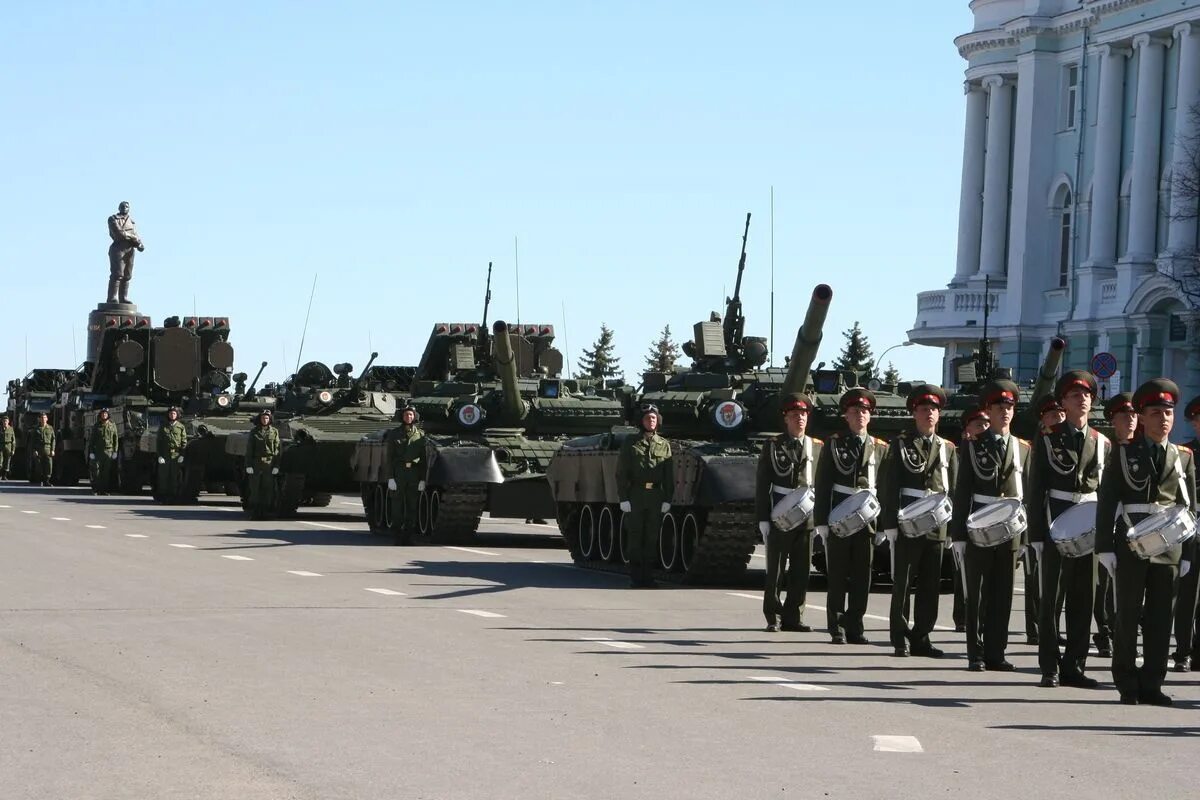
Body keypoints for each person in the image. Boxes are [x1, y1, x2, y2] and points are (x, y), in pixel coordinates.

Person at [1096, 379, 1197, 706]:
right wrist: (1104, 547)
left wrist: (1189, 553)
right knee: (1126, 615)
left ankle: (1152, 682)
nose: (1164, 419)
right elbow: (1108, 501)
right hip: (1132, 543)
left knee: (1159, 619)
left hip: (1169, 547)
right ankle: (1127, 682)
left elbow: (1190, 508)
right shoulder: (1125, 453)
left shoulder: (1183, 457)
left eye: (1168, 412)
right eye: (1155, 413)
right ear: (1142, 416)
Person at [1027, 371, 1109, 689]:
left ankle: (1075, 665)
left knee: (1083, 600)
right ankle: (1050, 666)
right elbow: (1036, 490)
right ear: (1063, 401)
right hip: (1056, 523)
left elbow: (1106, 492)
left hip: (1088, 525)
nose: (1082, 399)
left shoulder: (1102, 443)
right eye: (1075, 395)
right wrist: (1036, 536)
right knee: (1052, 600)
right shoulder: (1048, 437)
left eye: (1086, 394)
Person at [951, 379, 1031, 672]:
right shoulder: (973, 445)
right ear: (988, 410)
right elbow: (962, 492)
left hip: (1010, 530)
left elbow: (1029, 495)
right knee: (977, 593)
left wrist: (1026, 537)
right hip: (980, 526)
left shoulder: (1022, 447)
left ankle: (997, 651)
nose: (1005, 412)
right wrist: (958, 534)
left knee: (1003, 592)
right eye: (999, 407)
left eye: (1009, 407)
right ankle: (976, 652)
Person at [878, 384, 956, 658]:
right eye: (924, 410)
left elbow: (954, 488)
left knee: (930, 584)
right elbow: (889, 486)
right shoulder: (900, 445)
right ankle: (900, 637)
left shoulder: (947, 448)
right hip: (908, 521)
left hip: (937, 523)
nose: (929, 414)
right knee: (903, 582)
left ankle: (922, 635)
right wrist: (889, 524)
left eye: (934, 410)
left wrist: (952, 529)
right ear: (914, 413)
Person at [815, 388, 887, 644]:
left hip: (867, 521)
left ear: (870, 416)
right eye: (855, 412)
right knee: (837, 575)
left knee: (862, 576)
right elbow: (823, 484)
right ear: (846, 415)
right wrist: (821, 521)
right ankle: (836, 626)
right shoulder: (834, 443)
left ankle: (855, 625)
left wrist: (883, 527)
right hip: (839, 517)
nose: (860, 416)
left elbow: (885, 489)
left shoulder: (880, 448)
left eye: (864, 412)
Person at [756, 392, 823, 632]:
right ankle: (773, 617)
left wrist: (821, 518)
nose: (800, 419)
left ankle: (794, 616)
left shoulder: (816, 446)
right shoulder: (774, 445)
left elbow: (822, 484)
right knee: (775, 569)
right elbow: (763, 484)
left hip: (807, 515)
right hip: (780, 512)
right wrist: (763, 518)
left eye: (803, 415)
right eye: (795, 415)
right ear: (786, 418)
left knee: (801, 569)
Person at [1093, 391, 1137, 658]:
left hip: (1134, 526)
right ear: (1113, 420)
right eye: (1124, 416)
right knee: (1105, 584)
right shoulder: (1107, 448)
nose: (1130, 420)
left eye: (1133, 415)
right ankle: (1105, 631)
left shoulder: (1143, 448)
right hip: (1108, 520)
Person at [616, 404, 675, 588]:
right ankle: (635, 576)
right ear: (641, 422)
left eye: (654, 418)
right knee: (635, 536)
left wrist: (667, 498)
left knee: (651, 537)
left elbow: (668, 475)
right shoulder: (631, 443)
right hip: (636, 494)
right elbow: (621, 473)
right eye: (648, 418)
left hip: (656, 495)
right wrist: (623, 497)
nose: (651, 421)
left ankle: (648, 576)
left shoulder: (664, 445)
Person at [952, 408, 990, 632]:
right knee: (964, 572)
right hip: (968, 518)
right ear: (967, 430)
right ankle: (962, 616)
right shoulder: (964, 451)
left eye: (986, 424)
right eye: (978, 425)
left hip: (988, 520)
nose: (983, 428)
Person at [1171, 395, 1200, 672]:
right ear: (1193, 423)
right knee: (1187, 594)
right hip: (1193, 528)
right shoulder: (1185, 454)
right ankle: (1182, 651)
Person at [388, 403, 425, 545]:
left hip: (414, 473)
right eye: (406, 415)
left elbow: (423, 459)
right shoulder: (394, 434)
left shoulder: (420, 435)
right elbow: (389, 457)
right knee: (397, 505)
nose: (408, 417)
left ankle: (408, 536)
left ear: (414, 417)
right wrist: (390, 477)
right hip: (399, 472)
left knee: (412, 505)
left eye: (410, 415)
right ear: (402, 417)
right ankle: (397, 535)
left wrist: (422, 478)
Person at [244, 410, 281, 519]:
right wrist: (248, 465)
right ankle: (254, 511)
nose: (265, 420)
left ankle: (266, 512)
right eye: (263, 418)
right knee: (255, 488)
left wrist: (276, 465)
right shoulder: (254, 432)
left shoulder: (274, 432)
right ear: (260, 419)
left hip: (269, 463)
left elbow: (277, 450)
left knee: (268, 488)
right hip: (256, 462)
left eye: (267, 418)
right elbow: (249, 449)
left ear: (270, 420)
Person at [107, 201, 144, 304]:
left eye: (127, 206)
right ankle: (113, 297)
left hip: (130, 250)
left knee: (127, 275)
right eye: (122, 206)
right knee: (117, 273)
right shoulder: (113, 219)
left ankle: (123, 297)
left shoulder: (132, 222)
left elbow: (136, 235)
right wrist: (134, 238)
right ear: (119, 207)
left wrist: (139, 244)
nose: (124, 208)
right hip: (118, 248)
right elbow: (119, 234)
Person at [155, 407, 187, 501]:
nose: (172, 415)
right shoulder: (163, 426)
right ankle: (163, 495)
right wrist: (159, 455)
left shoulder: (181, 427)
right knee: (163, 476)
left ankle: (174, 495)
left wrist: (182, 455)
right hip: (165, 454)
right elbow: (159, 442)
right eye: (171, 413)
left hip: (176, 455)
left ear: (177, 415)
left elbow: (184, 442)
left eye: (174, 413)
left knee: (175, 476)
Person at [87, 408, 119, 495]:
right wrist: (91, 452)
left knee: (106, 472)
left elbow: (115, 439)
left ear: (108, 415)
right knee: (96, 471)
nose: (104, 415)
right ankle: (96, 489)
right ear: (100, 415)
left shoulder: (112, 426)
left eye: (105, 414)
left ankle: (104, 490)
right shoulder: (96, 426)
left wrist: (115, 451)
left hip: (108, 451)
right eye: (102, 414)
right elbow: (92, 440)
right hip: (98, 452)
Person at [28, 412, 55, 486]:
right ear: (39, 419)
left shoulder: (50, 428)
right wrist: (34, 450)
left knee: (49, 466)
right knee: (39, 467)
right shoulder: (36, 429)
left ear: (47, 419)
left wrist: (52, 450)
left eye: (44, 418)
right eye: (42, 418)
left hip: (48, 449)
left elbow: (53, 440)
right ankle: (41, 480)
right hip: (39, 449)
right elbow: (32, 441)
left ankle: (47, 480)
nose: (43, 419)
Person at [0, 415, 14, 480]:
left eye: (6, 421)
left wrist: (13, 450)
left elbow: (13, 441)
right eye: (4, 421)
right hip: (1, 446)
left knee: (7, 462)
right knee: (0, 462)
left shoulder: (11, 429)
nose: (5, 422)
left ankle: (4, 476)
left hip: (8, 446)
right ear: (2, 422)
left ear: (8, 422)